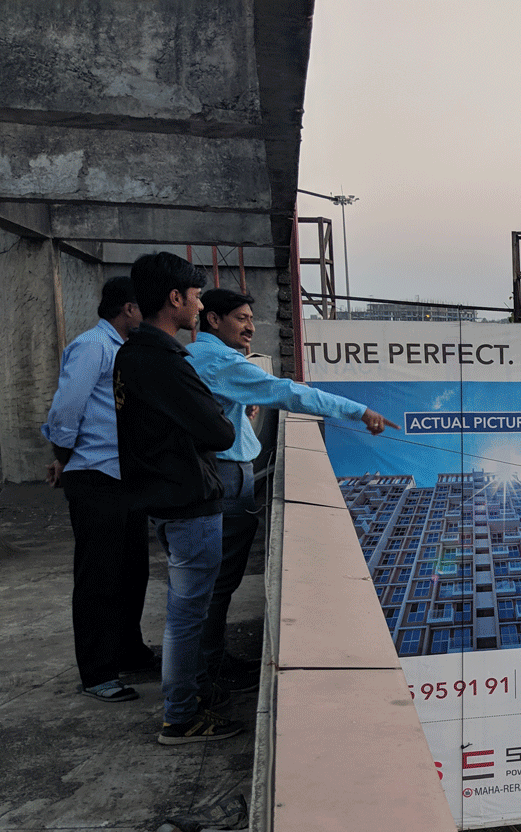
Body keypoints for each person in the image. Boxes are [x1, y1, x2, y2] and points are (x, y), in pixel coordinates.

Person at [185, 288, 399, 691]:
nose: (251, 327)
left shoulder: (201, 357)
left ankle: (208, 663)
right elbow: (290, 392)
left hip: (219, 475)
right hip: (223, 477)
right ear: (212, 319)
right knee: (216, 583)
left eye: (251, 318)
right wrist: (359, 411)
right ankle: (206, 673)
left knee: (214, 583)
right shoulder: (218, 360)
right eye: (241, 318)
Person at [113, 252, 241, 744]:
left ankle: (186, 699)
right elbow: (219, 431)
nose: (198, 304)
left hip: (165, 499)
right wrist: (225, 417)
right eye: (194, 297)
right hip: (188, 502)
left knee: (184, 611)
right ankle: (181, 715)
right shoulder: (164, 359)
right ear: (174, 299)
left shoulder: (131, 352)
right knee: (188, 615)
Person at [41, 277, 156, 702]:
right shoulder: (93, 346)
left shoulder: (126, 349)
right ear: (128, 309)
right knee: (99, 579)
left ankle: (128, 651)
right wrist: (66, 458)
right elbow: (65, 410)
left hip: (125, 476)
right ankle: (97, 672)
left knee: (132, 572)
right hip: (97, 477)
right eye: (143, 307)